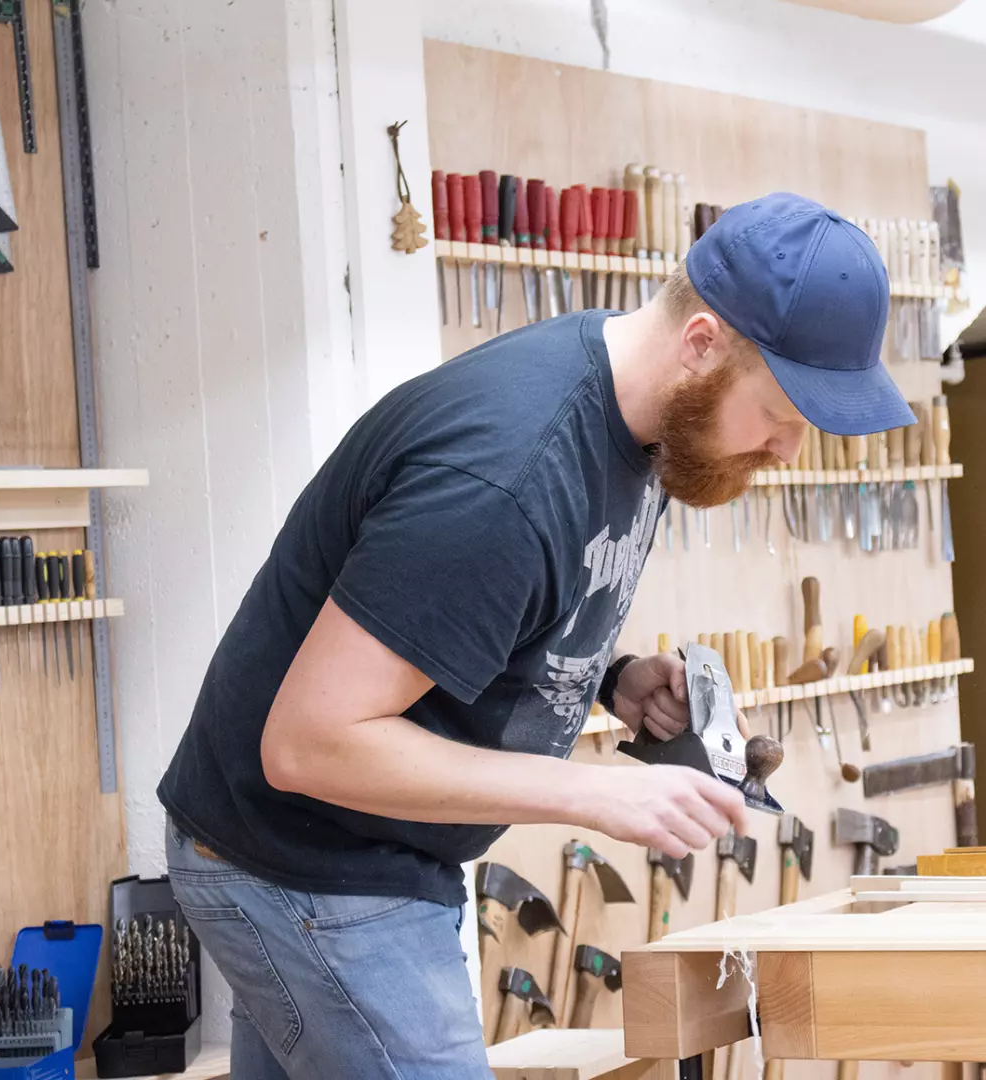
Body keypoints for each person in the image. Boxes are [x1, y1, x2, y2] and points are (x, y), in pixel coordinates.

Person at [158, 192, 913, 1079]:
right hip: (305, 864)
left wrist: (614, 678)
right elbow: (310, 744)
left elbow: (493, 607)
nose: (789, 448)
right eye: (782, 412)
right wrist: (592, 794)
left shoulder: (650, 421)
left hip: (361, 853)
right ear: (702, 345)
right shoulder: (505, 479)